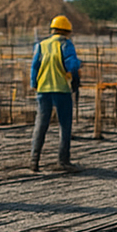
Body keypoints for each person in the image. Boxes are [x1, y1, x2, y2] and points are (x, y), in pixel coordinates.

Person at [30, 15, 82, 172]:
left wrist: (34, 84)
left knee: (41, 125)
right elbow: (71, 65)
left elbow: (34, 67)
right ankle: (63, 160)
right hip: (61, 90)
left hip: (43, 90)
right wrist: (79, 65)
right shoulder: (66, 44)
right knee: (64, 126)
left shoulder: (41, 45)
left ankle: (34, 160)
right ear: (66, 31)